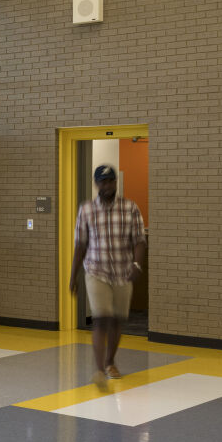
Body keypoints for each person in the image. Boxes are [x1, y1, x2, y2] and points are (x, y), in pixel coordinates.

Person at [68, 164, 147, 386]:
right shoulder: (86, 210)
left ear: (116, 183)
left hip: (122, 272)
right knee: (101, 318)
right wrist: (73, 276)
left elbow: (140, 241)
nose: (107, 185)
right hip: (96, 271)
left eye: (111, 181)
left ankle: (110, 361)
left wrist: (137, 265)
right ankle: (99, 370)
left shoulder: (130, 208)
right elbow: (80, 245)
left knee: (117, 320)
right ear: (96, 184)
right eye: (103, 182)